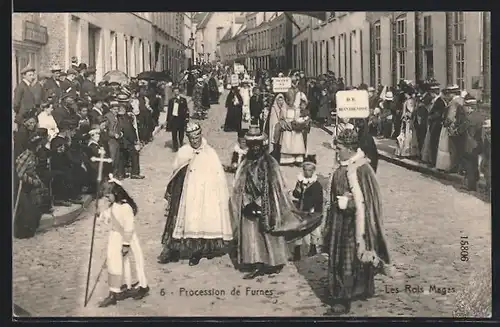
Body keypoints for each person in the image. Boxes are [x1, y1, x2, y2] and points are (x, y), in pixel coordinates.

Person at [230, 126, 323, 279]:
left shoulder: (269, 163)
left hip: (265, 205)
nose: (254, 148)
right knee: (251, 234)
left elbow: (274, 187)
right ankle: (255, 260)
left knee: (267, 234)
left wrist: (259, 203)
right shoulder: (246, 162)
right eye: (251, 145)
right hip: (247, 203)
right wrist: (246, 201)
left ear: (262, 145)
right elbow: (240, 183)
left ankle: (269, 262)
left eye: (257, 145)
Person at [323, 128, 390, 315]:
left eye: (340, 148)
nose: (337, 152)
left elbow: (370, 200)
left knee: (350, 258)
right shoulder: (342, 166)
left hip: (355, 224)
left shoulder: (363, 169)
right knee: (340, 255)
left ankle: (343, 298)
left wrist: (351, 202)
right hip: (339, 220)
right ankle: (356, 289)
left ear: (350, 149)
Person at [159, 122, 233, 266]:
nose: (195, 140)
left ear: (201, 135)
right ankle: (172, 250)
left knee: (199, 221)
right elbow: (175, 172)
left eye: (197, 137)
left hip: (203, 194)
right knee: (177, 221)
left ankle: (197, 251)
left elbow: (217, 176)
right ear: (188, 138)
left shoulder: (209, 152)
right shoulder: (184, 152)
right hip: (183, 194)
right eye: (192, 138)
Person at [98, 175, 149, 307]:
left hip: (128, 239)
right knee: (115, 262)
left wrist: (126, 244)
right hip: (114, 238)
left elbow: (129, 227)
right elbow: (107, 217)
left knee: (135, 261)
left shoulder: (125, 207)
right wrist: (100, 215)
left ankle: (143, 286)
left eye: (108, 195)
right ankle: (116, 291)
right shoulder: (113, 205)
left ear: (116, 193)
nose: (107, 198)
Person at [13, 129, 50, 239]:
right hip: (22, 187)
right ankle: (23, 231)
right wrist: (33, 181)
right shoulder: (27, 155)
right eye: (38, 146)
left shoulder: (33, 155)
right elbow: (19, 173)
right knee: (26, 211)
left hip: (29, 187)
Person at [290, 155, 324, 261]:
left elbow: (319, 199)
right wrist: (297, 192)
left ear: (313, 170)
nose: (307, 172)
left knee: (313, 229)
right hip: (301, 209)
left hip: (312, 210)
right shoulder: (300, 181)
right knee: (298, 229)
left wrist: (315, 209)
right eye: (305, 170)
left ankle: (313, 247)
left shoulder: (316, 184)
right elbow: (296, 194)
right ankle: (297, 251)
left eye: (309, 170)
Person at [457, 95, 484, 191]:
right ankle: (475, 184)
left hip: (468, 145)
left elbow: (460, 130)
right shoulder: (480, 116)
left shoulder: (468, 118)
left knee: (469, 165)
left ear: (470, 107)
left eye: (466, 107)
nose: (465, 109)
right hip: (477, 144)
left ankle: (470, 186)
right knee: (475, 164)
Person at [425, 84, 447, 166]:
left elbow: (439, 114)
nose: (430, 94)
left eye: (431, 93)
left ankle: (434, 162)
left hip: (437, 124)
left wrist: (430, 117)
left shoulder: (439, 102)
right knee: (433, 142)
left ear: (434, 93)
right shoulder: (436, 101)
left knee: (434, 143)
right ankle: (432, 160)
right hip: (434, 124)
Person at [165, 85, 189, 152]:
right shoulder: (171, 101)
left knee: (181, 133)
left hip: (181, 118)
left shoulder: (183, 100)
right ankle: (175, 147)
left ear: (179, 92)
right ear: (173, 92)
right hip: (174, 119)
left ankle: (181, 143)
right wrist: (168, 120)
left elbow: (186, 109)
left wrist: (187, 118)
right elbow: (169, 111)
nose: (176, 92)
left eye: (177, 91)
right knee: (174, 133)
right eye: (175, 91)